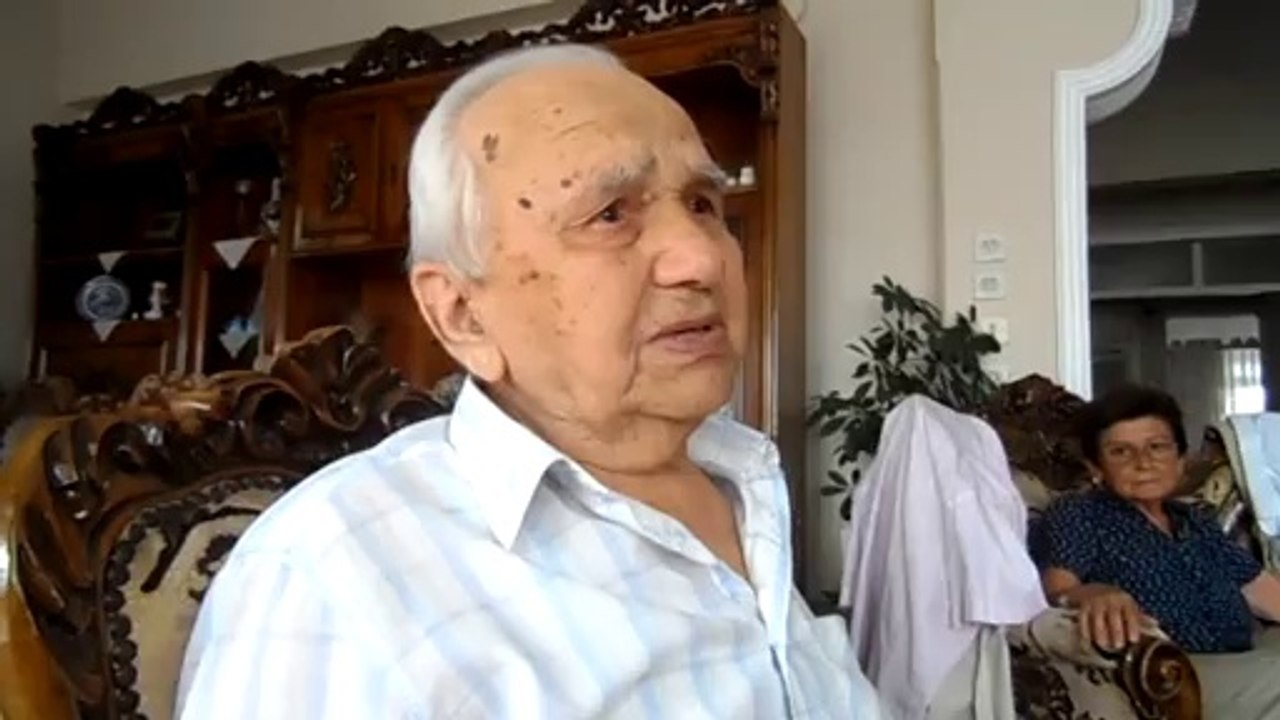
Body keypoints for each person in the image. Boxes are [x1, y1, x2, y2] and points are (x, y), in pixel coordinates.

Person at [175, 43, 881, 718]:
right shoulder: (333, 580)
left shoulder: (740, 473)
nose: (702, 258)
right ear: (462, 316)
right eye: (610, 214)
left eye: (701, 203)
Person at [1032, 384, 1280, 655]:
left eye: (1157, 447)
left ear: (1180, 459)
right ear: (1096, 468)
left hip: (1247, 656)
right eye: (1120, 452)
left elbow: (1264, 592)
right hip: (1170, 669)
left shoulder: (1195, 521)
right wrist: (1094, 593)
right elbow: (1057, 591)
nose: (1143, 463)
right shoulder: (1080, 513)